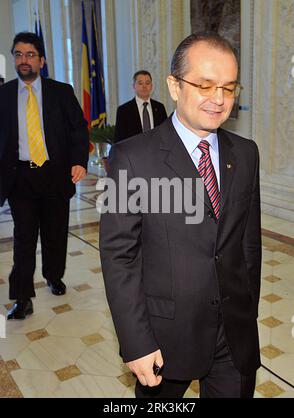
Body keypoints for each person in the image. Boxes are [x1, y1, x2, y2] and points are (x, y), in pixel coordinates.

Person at [100, 32, 262, 398]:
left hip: (234, 336)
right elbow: (118, 256)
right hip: (164, 337)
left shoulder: (247, 153)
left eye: (229, 88)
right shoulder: (130, 158)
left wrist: (248, 312)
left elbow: (247, 244)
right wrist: (135, 341)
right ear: (174, 86)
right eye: (205, 85)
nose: (218, 100)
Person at [0, 32, 89, 320]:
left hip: (54, 175)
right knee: (24, 239)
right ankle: (22, 297)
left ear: (42, 60)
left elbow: (78, 129)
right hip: (20, 178)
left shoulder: (61, 92)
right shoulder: (3, 95)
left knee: (55, 233)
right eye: (18, 54)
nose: (23, 60)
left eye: (29, 55)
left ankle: (54, 275)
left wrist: (78, 161)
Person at [113, 70, 167, 142]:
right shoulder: (124, 110)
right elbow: (119, 139)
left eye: (147, 83)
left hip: (157, 151)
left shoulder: (160, 107)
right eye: (140, 83)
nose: (144, 86)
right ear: (134, 86)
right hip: (133, 151)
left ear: (151, 86)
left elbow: (165, 132)